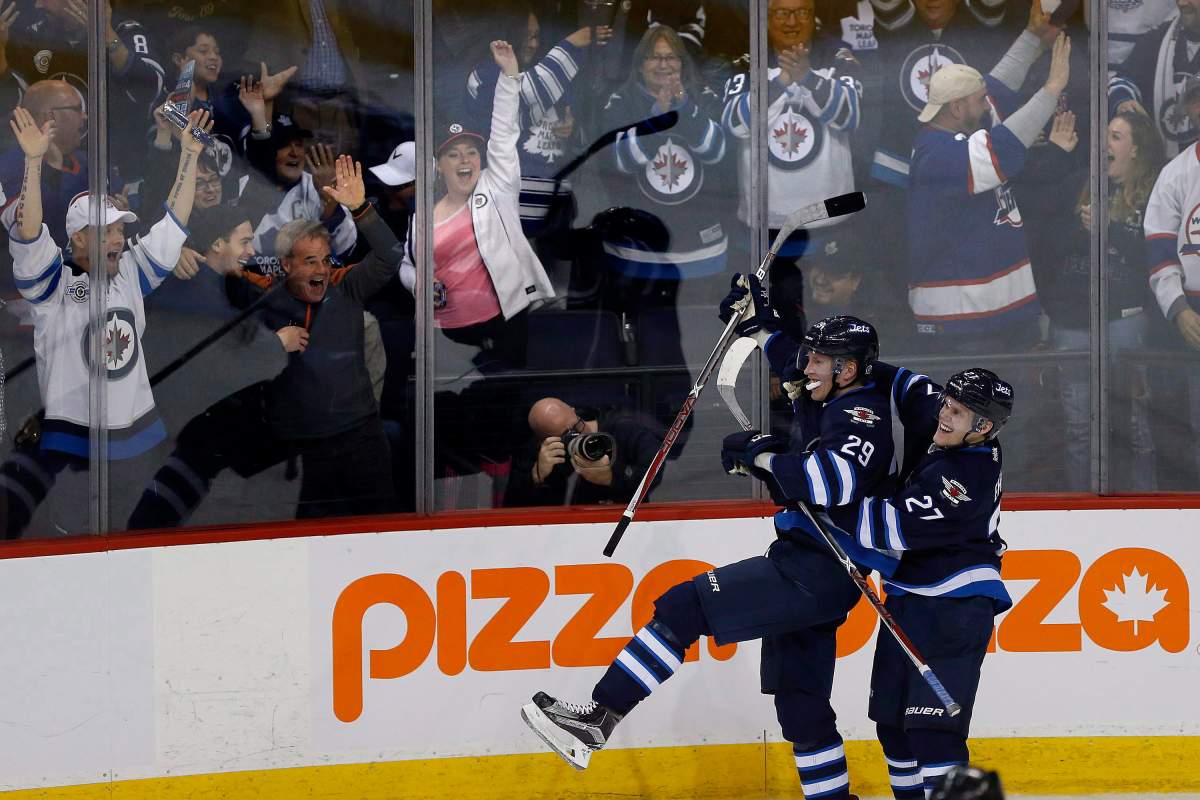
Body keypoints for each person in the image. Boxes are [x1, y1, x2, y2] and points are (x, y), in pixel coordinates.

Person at [522, 294, 897, 800]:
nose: (805, 367)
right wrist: (758, 321)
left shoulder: (862, 416)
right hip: (811, 566)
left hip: (818, 571)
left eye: (818, 360)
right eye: (808, 356)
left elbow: (833, 483)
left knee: (684, 604)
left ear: (848, 368)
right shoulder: (832, 388)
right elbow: (791, 359)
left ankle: (597, 719)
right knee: (801, 703)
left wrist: (766, 461)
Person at [0, 107, 207, 537]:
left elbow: (174, 221)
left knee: (138, 540)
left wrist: (189, 155)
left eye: (119, 229)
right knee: (74, 544)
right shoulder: (52, 284)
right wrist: (34, 163)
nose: (117, 238)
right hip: (71, 442)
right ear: (77, 239)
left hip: (138, 437)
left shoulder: (130, 270)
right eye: (106, 231)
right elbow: (28, 232)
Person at [853, 364, 1013, 800]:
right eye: (947, 402)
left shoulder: (966, 479)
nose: (944, 413)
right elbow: (900, 381)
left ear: (981, 427)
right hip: (909, 599)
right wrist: (783, 342)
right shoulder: (948, 423)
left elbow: (884, 527)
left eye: (957, 411)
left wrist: (802, 479)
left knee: (932, 732)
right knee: (893, 729)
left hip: (955, 606)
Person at [225, 155, 399, 519]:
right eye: (309, 261)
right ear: (286, 264)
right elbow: (223, 287)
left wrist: (361, 209)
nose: (321, 270)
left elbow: (390, 256)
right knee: (310, 542)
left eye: (324, 260)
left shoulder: (345, 286)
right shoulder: (265, 296)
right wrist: (274, 343)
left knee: (381, 529)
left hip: (361, 438)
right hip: (302, 448)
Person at [906, 32, 1071, 350]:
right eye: (979, 101)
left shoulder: (953, 132)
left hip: (991, 318)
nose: (988, 106)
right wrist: (1051, 89)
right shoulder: (938, 155)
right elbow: (1003, 147)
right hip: (963, 323)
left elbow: (997, 89)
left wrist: (1031, 36)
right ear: (956, 108)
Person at [399, 40, 555, 370]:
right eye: (454, 154)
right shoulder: (423, 214)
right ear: (439, 165)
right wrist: (419, 283)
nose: (465, 159)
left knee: (502, 406)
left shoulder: (497, 186)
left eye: (471, 152)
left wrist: (510, 76)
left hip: (503, 326)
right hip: (446, 333)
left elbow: (503, 133)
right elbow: (407, 264)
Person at [722, 0, 865, 339]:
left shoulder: (838, 59)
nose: (791, 21)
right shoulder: (748, 61)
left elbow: (851, 115)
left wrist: (807, 78)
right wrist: (784, 81)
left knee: (832, 329)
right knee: (775, 327)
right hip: (766, 229)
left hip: (829, 225)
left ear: (814, 16)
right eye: (781, 13)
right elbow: (733, 123)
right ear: (765, 18)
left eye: (800, 12)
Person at [465, 13, 611, 240]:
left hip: (557, 216)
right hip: (506, 217)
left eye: (536, 37)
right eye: (526, 36)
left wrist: (572, 132)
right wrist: (571, 46)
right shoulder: (484, 75)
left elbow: (582, 147)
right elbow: (518, 101)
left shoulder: (555, 79)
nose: (533, 44)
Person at [1142, 79, 1200, 486]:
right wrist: (1179, 310)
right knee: (1183, 423)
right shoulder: (1176, 173)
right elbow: (1159, 250)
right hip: (1190, 314)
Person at [504, 397, 659, 507]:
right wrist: (536, 476)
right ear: (545, 440)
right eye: (566, 437)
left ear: (573, 410)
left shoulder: (624, 430)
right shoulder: (539, 454)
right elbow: (511, 508)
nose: (578, 436)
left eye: (576, 426)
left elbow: (654, 471)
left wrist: (611, 478)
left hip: (620, 526)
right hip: (562, 534)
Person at [0, 81, 89, 247]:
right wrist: (51, 171)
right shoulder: (7, 169)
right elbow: (29, 232)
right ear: (50, 117)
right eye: (77, 109)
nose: (84, 116)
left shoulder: (86, 161)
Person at [1109, 0, 1200, 158]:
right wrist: (1123, 101)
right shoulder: (1158, 38)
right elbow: (1122, 81)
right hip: (1165, 173)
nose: (1182, 3)